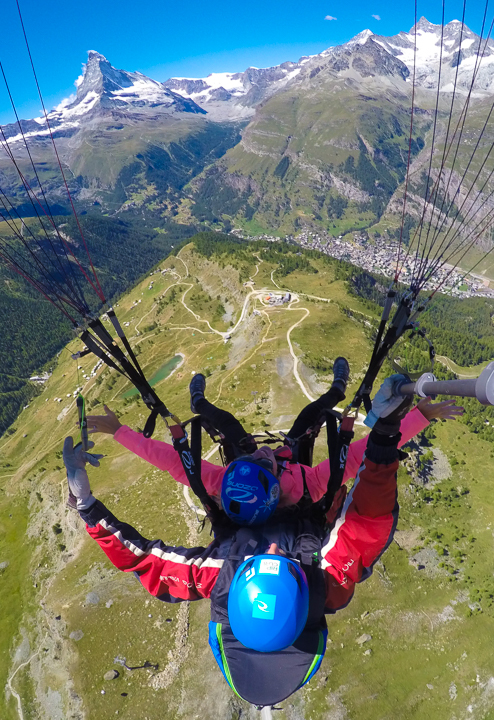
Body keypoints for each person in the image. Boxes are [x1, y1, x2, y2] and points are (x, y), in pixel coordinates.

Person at [64, 375, 417, 707]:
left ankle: (203, 401)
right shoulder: (328, 580)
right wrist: (387, 432)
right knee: (300, 432)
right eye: (287, 565)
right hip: (303, 503)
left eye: (260, 560)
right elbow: (369, 521)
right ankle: (324, 390)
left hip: (255, 501)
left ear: (239, 581)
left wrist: (88, 507)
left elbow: (146, 559)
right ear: (301, 586)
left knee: (242, 437)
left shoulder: (221, 573)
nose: (274, 549)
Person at [86, 359, 463, 522]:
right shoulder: (310, 488)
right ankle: (337, 390)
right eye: (264, 460)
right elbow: (362, 456)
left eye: (251, 459)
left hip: (255, 478)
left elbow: (169, 459)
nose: (264, 449)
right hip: (290, 472)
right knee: (308, 418)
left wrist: (118, 430)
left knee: (225, 423)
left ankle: (198, 400)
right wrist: (420, 416)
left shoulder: (221, 484)